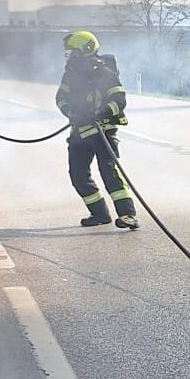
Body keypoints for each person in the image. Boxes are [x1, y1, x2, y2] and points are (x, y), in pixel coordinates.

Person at [57, 30, 139, 230]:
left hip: (103, 131)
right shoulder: (70, 74)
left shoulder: (105, 74)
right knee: (77, 175)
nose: (70, 57)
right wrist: (69, 112)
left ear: (85, 50)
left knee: (109, 172)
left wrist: (101, 113)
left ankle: (128, 215)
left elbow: (119, 101)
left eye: (73, 52)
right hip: (79, 133)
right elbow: (61, 98)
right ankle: (99, 213)